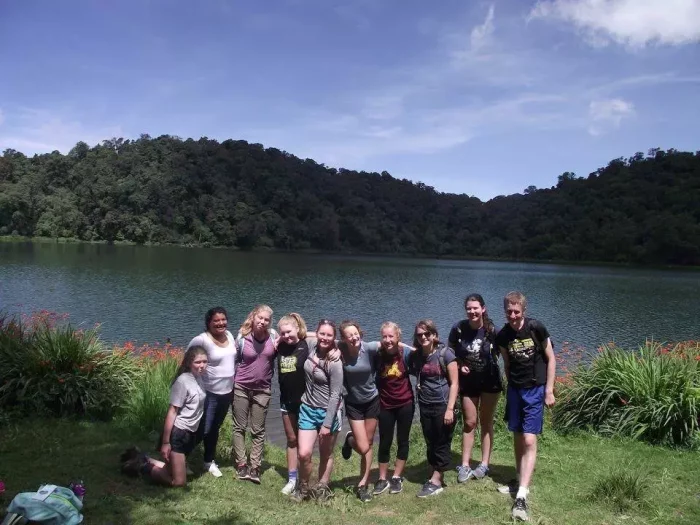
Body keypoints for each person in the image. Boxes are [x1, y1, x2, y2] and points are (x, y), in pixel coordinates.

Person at [495, 291, 556, 522]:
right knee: (518, 435)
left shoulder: (536, 328)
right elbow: (507, 364)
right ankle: (520, 479)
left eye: (516, 311)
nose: (512, 315)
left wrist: (549, 390)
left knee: (530, 439)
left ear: (524, 310)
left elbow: (551, 358)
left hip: (535, 390)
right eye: (509, 311)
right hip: (515, 391)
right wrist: (510, 388)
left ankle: (521, 494)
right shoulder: (503, 336)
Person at [120, 346, 208, 487]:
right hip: (178, 433)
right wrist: (166, 442)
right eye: (198, 362)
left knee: (171, 470)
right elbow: (172, 412)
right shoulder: (182, 381)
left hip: (191, 433)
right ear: (189, 363)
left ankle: (144, 458)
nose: (202, 365)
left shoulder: (200, 378)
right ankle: (143, 467)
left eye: (205, 361)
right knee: (179, 482)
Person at [448, 294, 502, 483]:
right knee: (470, 422)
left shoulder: (492, 330)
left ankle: (484, 464)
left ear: (483, 309)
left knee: (486, 422)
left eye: (475, 308)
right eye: (469, 308)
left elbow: (506, 351)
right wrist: (460, 363)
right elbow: (450, 352)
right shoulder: (459, 328)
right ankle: (464, 464)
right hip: (468, 382)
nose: (472, 311)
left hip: (490, 382)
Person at [290, 319, 344, 503]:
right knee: (304, 453)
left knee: (325, 454)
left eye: (330, 335)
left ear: (334, 338)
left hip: (328, 412)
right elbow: (302, 333)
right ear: (317, 333)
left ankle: (322, 487)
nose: (325, 338)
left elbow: (336, 395)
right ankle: (303, 486)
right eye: (322, 333)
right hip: (307, 409)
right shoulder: (312, 345)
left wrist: (327, 424)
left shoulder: (335, 361)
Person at [410, 320, 459, 498]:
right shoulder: (416, 357)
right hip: (424, 404)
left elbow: (454, 384)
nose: (423, 337)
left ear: (434, 335)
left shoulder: (446, 354)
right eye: (419, 335)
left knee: (442, 442)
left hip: (442, 405)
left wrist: (450, 409)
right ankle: (433, 473)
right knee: (430, 441)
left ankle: (437, 480)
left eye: (427, 334)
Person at [187, 306, 236, 478]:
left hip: (227, 393)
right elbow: (188, 359)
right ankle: (179, 456)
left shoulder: (229, 336)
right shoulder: (202, 340)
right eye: (216, 321)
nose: (220, 323)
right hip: (208, 392)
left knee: (214, 428)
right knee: (203, 429)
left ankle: (208, 461)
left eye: (223, 320)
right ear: (208, 323)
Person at [232, 304, 278, 484]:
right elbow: (232, 359)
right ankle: (242, 464)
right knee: (239, 427)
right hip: (241, 388)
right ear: (254, 317)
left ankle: (255, 467)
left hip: (262, 390)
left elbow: (298, 336)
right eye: (260, 318)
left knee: (258, 430)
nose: (263, 322)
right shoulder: (242, 338)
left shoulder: (274, 337)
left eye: (267, 319)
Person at [337, 321, 381, 503]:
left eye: (355, 334)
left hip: (372, 401)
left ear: (360, 333)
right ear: (344, 339)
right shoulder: (341, 348)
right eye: (349, 335)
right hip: (353, 404)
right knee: (362, 447)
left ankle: (363, 485)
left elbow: (393, 343)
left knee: (368, 444)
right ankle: (349, 440)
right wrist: (297, 331)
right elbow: (318, 336)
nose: (354, 337)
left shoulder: (369, 348)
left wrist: (416, 350)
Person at [372, 321, 414, 498]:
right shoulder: (377, 355)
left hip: (405, 404)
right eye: (385, 336)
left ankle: (396, 476)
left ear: (398, 337)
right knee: (385, 441)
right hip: (385, 405)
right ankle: (382, 478)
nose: (388, 340)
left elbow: (421, 354)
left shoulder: (406, 354)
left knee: (403, 440)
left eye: (391, 336)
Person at [276, 313, 311, 495]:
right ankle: (291, 479)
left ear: (297, 329)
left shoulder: (306, 344)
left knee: (305, 445)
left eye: (289, 332)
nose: (287, 336)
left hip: (305, 402)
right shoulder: (279, 346)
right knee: (291, 440)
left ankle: (305, 479)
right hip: (286, 400)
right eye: (283, 333)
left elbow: (324, 336)